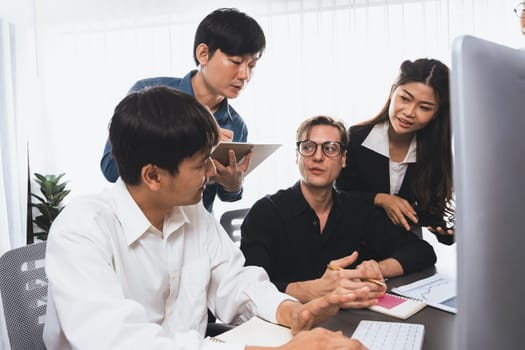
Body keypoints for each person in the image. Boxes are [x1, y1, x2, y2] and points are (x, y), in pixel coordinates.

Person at [43, 87, 367, 350]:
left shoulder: (192, 212)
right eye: (201, 164)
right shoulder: (82, 230)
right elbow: (118, 340)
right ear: (153, 175)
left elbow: (235, 280)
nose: (212, 173)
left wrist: (291, 310)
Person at [240, 115, 436, 304]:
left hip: (346, 321)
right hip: (282, 323)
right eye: (308, 147)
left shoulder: (358, 210)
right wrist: (310, 290)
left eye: (330, 149)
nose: (318, 157)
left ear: (343, 159)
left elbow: (421, 251)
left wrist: (376, 269)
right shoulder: (265, 212)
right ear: (297, 156)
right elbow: (249, 287)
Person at [100, 8, 265, 213]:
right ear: (203, 54)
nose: (245, 75)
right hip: (143, 226)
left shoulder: (235, 125)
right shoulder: (147, 94)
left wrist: (233, 185)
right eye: (236, 62)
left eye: (252, 65)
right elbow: (110, 169)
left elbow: (226, 195)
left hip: (196, 231)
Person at [335, 58, 455, 245]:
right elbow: (338, 195)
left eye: (424, 107)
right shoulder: (356, 137)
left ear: (436, 113)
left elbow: (430, 214)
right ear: (392, 92)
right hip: (353, 243)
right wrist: (380, 199)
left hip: (404, 249)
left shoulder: (434, 152)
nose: (409, 112)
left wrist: (446, 233)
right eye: (405, 99)